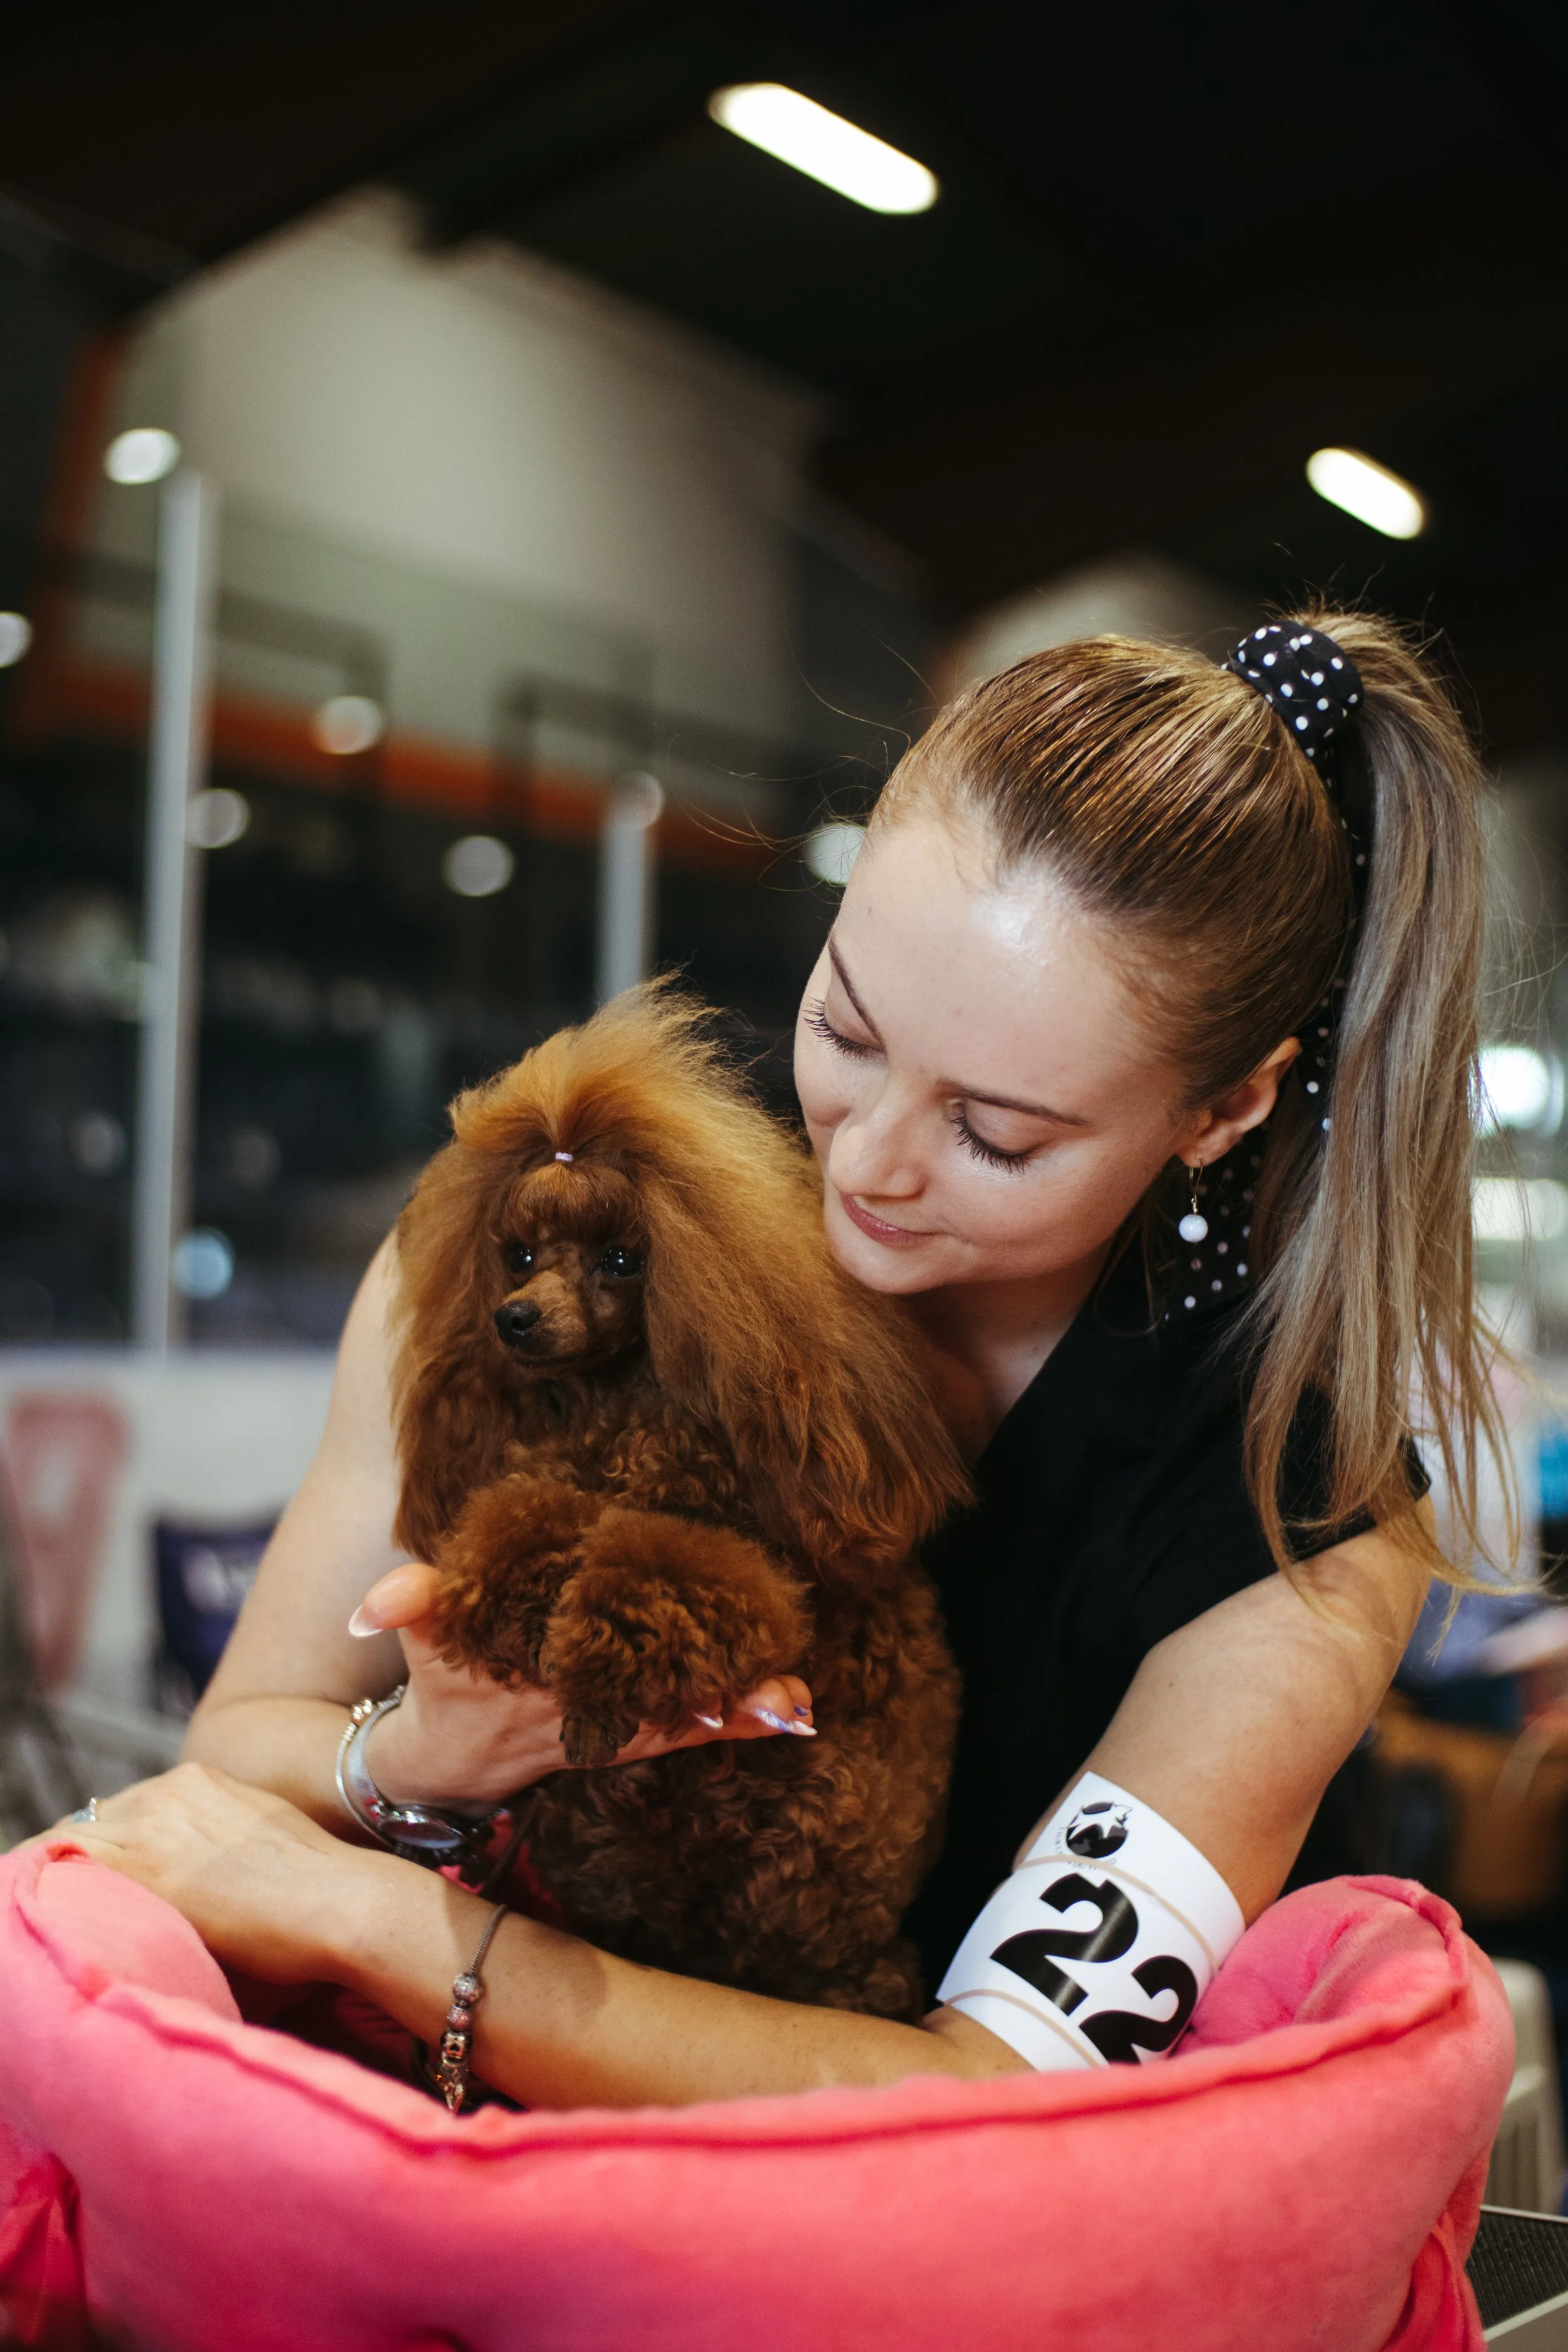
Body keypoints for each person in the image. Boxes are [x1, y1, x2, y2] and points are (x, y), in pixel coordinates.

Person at [54, 608, 1506, 2107]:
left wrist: (387, 1922)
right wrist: (414, 1761)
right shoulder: (578, 1207)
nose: (864, 1165)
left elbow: (993, 2097)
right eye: (846, 1029)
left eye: (994, 1135)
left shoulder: (1287, 1516)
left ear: (1219, 1109)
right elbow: (242, 1737)